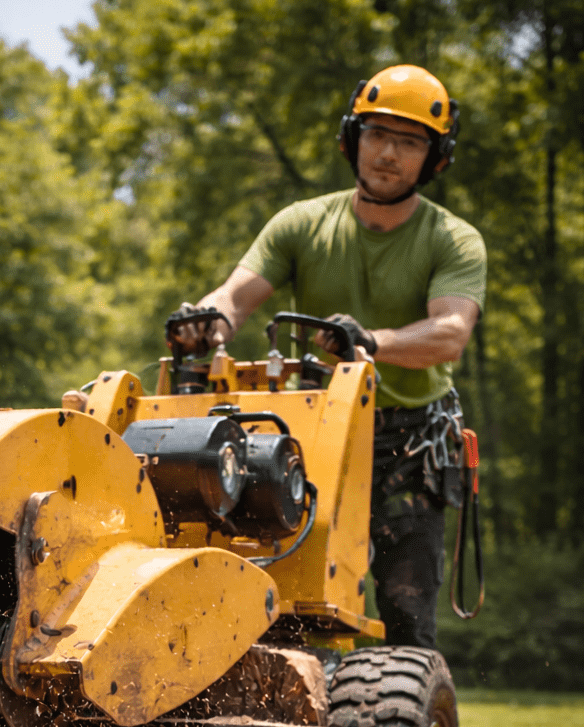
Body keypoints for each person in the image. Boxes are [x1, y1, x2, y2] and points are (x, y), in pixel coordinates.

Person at [176, 64, 487, 648]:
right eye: (377, 135)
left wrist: (370, 342)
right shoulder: (301, 224)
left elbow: (450, 332)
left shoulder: (453, 239)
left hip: (409, 441)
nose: (389, 153)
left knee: (406, 609)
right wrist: (207, 321)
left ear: (435, 157)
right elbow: (234, 298)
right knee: (279, 596)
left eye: (409, 141)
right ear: (352, 139)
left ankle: (407, 716)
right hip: (306, 435)